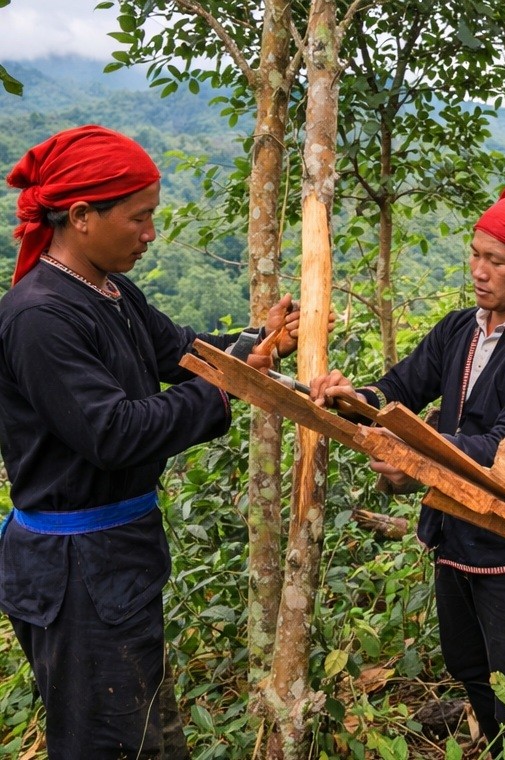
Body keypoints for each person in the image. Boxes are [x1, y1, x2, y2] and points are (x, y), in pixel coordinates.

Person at [0, 125, 302, 759]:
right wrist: (230, 392)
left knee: (142, 726)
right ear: (81, 216)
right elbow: (115, 432)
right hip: (73, 570)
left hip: (116, 558)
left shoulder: (112, 292)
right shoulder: (39, 318)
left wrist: (256, 345)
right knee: (102, 739)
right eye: (139, 219)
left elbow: (184, 353)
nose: (150, 234)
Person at [310, 175, 505, 753]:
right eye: (475, 255)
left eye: (498, 260)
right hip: (456, 536)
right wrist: (350, 398)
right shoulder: (461, 328)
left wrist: (415, 456)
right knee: (471, 671)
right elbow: (397, 391)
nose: (479, 271)